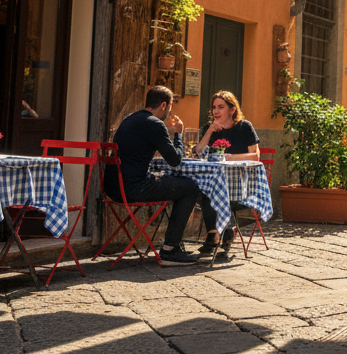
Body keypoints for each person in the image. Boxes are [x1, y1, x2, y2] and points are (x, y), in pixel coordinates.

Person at [105, 86, 200, 263]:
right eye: (170, 106)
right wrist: (179, 134)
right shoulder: (154, 123)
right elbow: (175, 160)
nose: (169, 111)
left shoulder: (130, 119)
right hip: (133, 189)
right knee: (190, 187)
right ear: (164, 105)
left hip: (112, 187)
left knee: (172, 182)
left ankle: (171, 245)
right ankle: (170, 249)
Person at [192, 91, 261, 258]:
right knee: (196, 189)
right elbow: (198, 153)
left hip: (241, 182)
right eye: (214, 107)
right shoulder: (210, 128)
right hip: (215, 181)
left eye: (221, 107)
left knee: (210, 192)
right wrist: (209, 131)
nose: (216, 111)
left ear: (232, 109)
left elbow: (255, 155)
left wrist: (228, 157)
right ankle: (224, 231)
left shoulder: (244, 126)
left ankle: (214, 235)